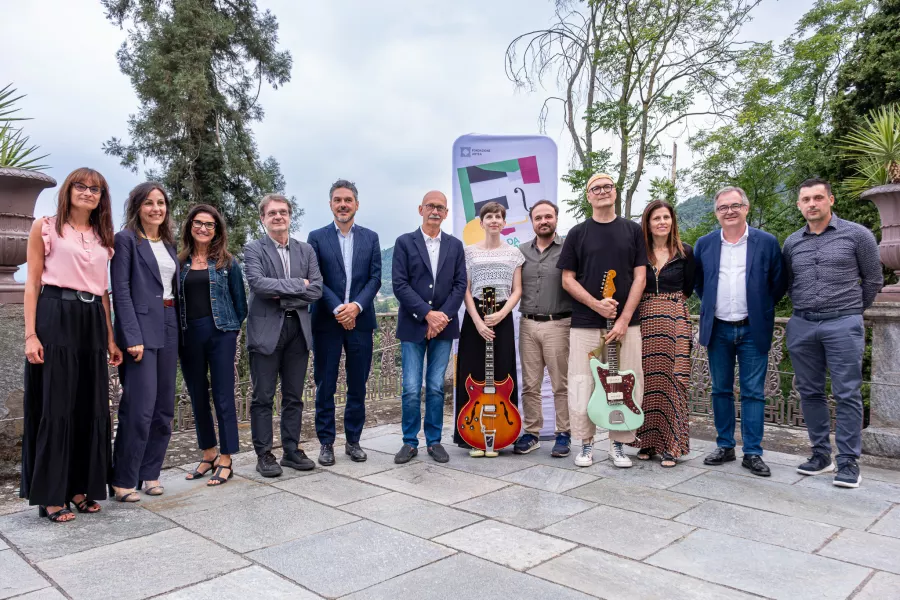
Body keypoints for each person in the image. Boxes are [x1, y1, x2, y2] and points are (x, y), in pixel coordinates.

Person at [21, 167, 123, 522]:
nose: (87, 192)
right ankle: (51, 495)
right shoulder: (46, 226)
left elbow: (103, 291)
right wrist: (31, 334)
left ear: (101, 198)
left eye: (95, 189)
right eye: (81, 186)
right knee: (57, 404)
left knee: (89, 405)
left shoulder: (103, 235)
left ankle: (80, 487)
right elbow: (32, 283)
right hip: (55, 313)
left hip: (91, 319)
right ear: (68, 189)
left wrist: (110, 337)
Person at [784, 178, 882, 488]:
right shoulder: (792, 242)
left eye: (817, 198)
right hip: (802, 323)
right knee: (809, 391)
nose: (812, 204)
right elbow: (789, 282)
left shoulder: (857, 235)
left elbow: (873, 279)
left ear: (831, 200)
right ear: (799, 205)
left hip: (843, 323)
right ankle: (821, 455)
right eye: (806, 200)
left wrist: (851, 311)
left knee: (846, 392)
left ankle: (849, 461)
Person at [694, 186, 787, 477]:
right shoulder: (705, 244)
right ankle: (724, 445)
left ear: (745, 208)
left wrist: (759, 306)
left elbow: (778, 283)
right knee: (720, 390)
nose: (729, 211)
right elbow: (700, 283)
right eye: (723, 207)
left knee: (753, 392)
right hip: (718, 328)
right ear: (716, 213)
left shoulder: (766, 242)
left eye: (735, 205)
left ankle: (753, 452)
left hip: (752, 327)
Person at [558, 173, 647, 468]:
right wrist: (596, 304)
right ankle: (586, 444)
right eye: (595, 188)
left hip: (626, 324)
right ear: (588, 196)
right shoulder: (577, 233)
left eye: (607, 186)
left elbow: (640, 277)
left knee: (626, 381)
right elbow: (567, 279)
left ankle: (617, 444)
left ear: (616, 192)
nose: (602, 191)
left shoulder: (633, 230)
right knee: (582, 382)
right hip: (585, 321)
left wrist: (623, 319)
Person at [245, 194, 323, 477]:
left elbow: (316, 289)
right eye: (272, 213)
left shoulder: (306, 250)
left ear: (290, 217)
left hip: (298, 331)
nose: (278, 217)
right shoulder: (254, 249)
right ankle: (264, 454)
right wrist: (298, 285)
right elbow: (258, 284)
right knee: (263, 397)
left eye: (283, 212)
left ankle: (291, 450)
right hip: (266, 332)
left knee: (294, 396)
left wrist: (282, 293)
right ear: (263, 218)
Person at [110, 182, 179, 502]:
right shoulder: (125, 239)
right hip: (140, 329)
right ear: (137, 207)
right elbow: (121, 290)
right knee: (139, 408)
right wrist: (131, 335)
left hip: (169, 323)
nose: (156, 208)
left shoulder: (169, 243)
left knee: (164, 408)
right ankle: (123, 478)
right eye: (149, 203)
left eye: (161, 203)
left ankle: (150, 473)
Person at [308, 180, 382, 466]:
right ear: (330, 204)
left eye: (348, 200)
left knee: (357, 385)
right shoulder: (316, 237)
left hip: (361, 322)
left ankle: (353, 441)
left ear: (356, 205)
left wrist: (356, 307)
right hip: (327, 321)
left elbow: (375, 278)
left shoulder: (371, 238)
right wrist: (340, 308)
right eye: (338, 200)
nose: (343, 205)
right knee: (325, 384)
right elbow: (316, 278)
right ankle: (326, 443)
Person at [391, 191, 467, 464]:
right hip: (413, 325)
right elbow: (400, 284)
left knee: (435, 387)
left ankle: (434, 442)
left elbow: (460, 285)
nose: (435, 211)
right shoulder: (404, 242)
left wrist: (441, 318)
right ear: (420, 209)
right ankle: (409, 442)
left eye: (440, 207)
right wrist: (427, 315)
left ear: (446, 213)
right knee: (411, 388)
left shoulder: (455, 246)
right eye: (430, 206)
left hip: (444, 327)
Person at [179, 204, 248, 486]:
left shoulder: (228, 263)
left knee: (223, 395)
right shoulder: (179, 263)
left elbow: (240, 304)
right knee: (197, 395)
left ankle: (226, 457)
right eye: (198, 223)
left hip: (221, 334)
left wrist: (229, 332)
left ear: (217, 230)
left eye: (209, 224)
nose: (203, 228)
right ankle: (208, 454)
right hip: (188, 335)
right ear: (190, 226)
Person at [453, 202, 524, 457]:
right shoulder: (469, 252)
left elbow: (517, 290)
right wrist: (477, 321)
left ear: (504, 223)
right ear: (481, 223)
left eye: (498, 216)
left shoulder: (514, 253)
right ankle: (472, 436)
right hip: (475, 317)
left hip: (502, 316)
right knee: (471, 373)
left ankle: (502, 433)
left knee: (503, 373)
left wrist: (503, 314)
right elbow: (465, 289)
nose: (494, 220)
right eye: (489, 217)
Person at [629, 200, 695, 468]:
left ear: (672, 221)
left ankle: (672, 446)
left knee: (673, 380)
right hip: (644, 320)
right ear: (647, 223)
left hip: (675, 321)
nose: (662, 222)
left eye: (666, 217)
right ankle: (646, 442)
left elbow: (688, 288)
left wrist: (667, 306)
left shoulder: (685, 252)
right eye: (656, 218)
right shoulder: (639, 254)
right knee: (645, 379)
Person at [514, 200, 573, 458]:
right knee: (530, 384)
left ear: (556, 218)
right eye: (538, 218)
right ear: (532, 222)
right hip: (527, 324)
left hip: (558, 324)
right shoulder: (520, 252)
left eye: (548, 216)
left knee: (560, 384)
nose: (543, 221)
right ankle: (532, 433)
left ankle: (564, 434)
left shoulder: (569, 249)